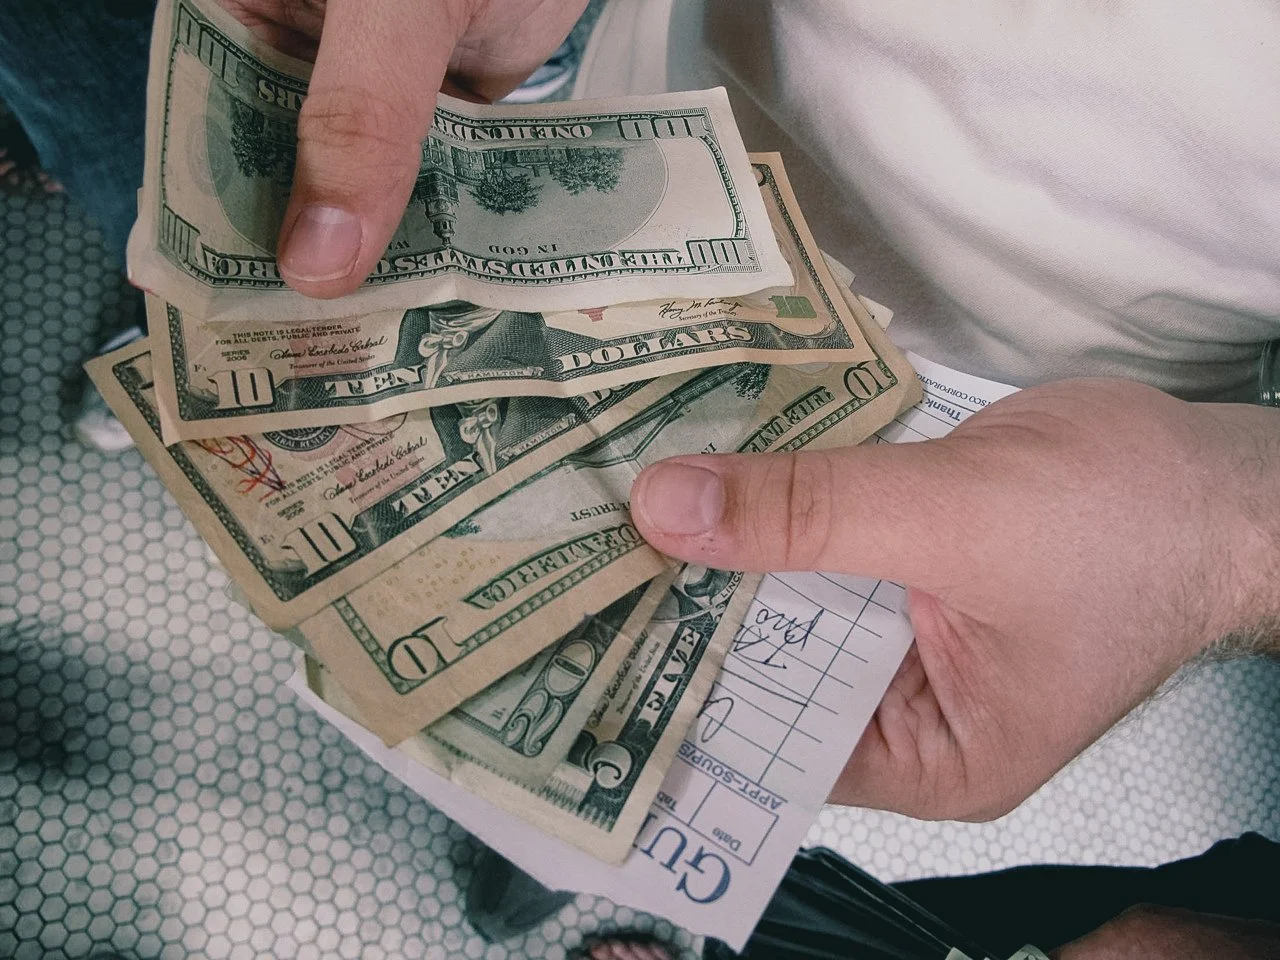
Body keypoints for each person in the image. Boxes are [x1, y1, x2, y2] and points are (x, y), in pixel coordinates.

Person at [4, 0, 1276, 955]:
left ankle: (554, 837)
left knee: (652, 750)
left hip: (1043, 456)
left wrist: (1224, 541)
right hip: (618, 142)